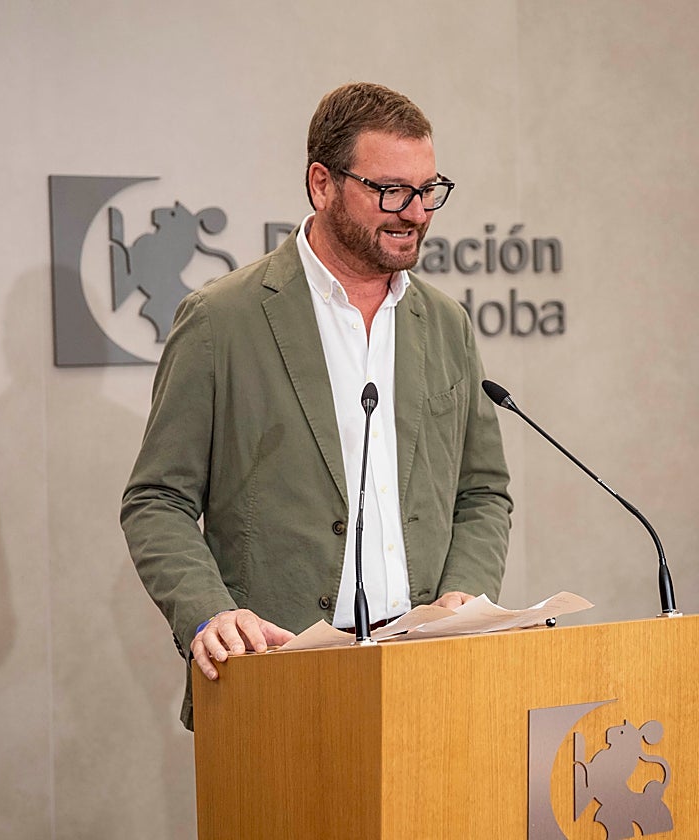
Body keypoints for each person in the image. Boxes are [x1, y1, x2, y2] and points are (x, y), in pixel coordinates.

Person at [121, 82, 513, 728]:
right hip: (276, 683)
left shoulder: (447, 325)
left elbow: (483, 490)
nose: (414, 212)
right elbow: (155, 500)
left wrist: (463, 594)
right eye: (389, 191)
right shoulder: (221, 321)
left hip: (429, 681)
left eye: (427, 191)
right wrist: (207, 612)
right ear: (321, 183)